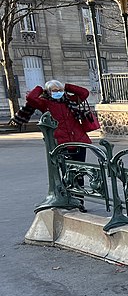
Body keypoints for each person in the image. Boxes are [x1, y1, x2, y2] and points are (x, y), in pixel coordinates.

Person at [25, 79, 92, 210]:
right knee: (67, 174)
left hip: (78, 141)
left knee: (79, 173)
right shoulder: (45, 103)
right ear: (49, 92)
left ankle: (79, 202)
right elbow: (31, 98)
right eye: (55, 91)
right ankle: (69, 200)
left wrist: (66, 86)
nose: (58, 93)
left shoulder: (70, 101)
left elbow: (84, 93)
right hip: (61, 143)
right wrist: (40, 88)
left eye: (60, 90)